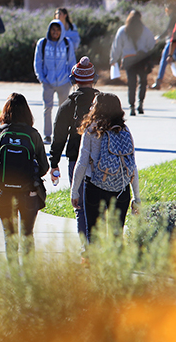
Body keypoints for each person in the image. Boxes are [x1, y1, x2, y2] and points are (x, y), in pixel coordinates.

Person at [70, 92, 140, 242]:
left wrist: (74, 191)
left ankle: (95, 264)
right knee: (116, 236)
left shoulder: (91, 130)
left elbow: (82, 162)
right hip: (121, 188)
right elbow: (132, 165)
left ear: (98, 108)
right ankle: (115, 265)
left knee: (94, 235)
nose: (91, 106)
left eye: (94, 104)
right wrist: (137, 197)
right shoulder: (125, 131)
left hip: (95, 186)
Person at [0, 93, 47, 261]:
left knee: (10, 236)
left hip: (4, 193)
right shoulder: (33, 134)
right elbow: (44, 167)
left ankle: (13, 278)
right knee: (27, 235)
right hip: (29, 193)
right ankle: (27, 278)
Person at [48, 57, 99, 237]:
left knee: (81, 207)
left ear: (74, 80)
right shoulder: (103, 103)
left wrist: (53, 162)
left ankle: (86, 252)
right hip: (101, 161)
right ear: (94, 79)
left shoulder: (68, 105)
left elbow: (59, 137)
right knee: (100, 209)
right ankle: (101, 250)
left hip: (76, 161)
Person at [34, 19, 77, 143]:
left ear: (61, 31)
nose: (55, 32)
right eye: (53, 29)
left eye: (58, 30)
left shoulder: (67, 43)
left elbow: (72, 62)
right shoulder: (42, 43)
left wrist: (71, 78)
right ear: (49, 30)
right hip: (48, 82)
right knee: (47, 108)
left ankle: (62, 134)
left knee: (63, 109)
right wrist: (41, 78)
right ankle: (47, 134)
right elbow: (37, 62)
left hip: (64, 82)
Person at [111, 10, 156, 115]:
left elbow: (116, 46)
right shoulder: (145, 30)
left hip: (128, 59)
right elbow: (151, 44)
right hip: (142, 59)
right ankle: (140, 104)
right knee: (142, 82)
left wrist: (113, 59)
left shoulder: (123, 30)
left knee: (131, 83)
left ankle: (132, 106)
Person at [151, 3, 176, 89]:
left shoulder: (173, 17)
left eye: (166, 10)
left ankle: (159, 82)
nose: (166, 12)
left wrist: (159, 37)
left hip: (172, 41)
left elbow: (168, 30)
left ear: (170, 9)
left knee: (164, 58)